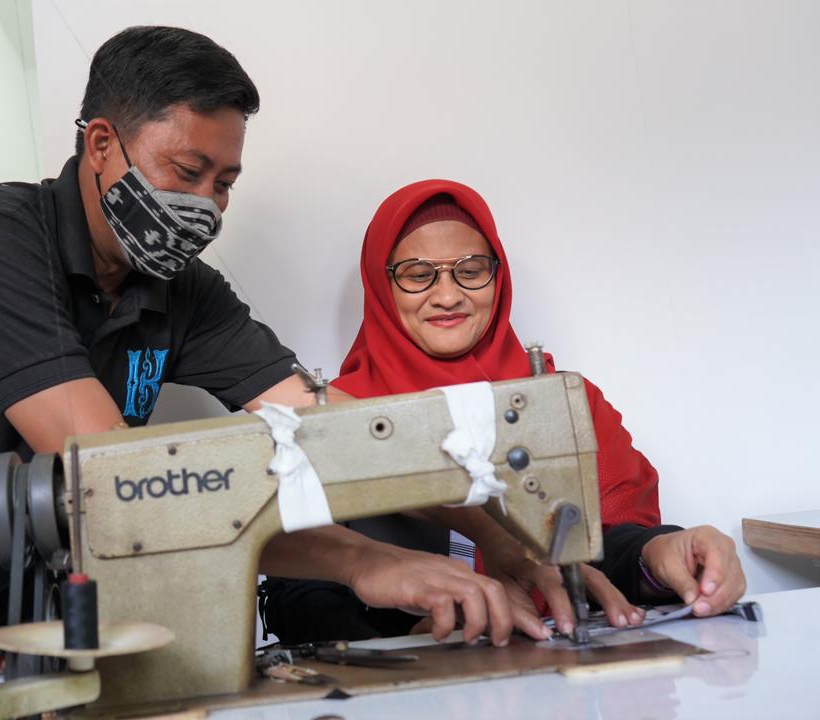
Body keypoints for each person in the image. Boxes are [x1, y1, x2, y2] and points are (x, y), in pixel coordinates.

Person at [0, 26, 529, 717]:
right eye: (187, 170)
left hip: (8, 630)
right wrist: (365, 562)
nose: (207, 205)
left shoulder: (183, 290)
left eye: (224, 182)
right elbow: (125, 486)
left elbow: (333, 426)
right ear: (101, 145)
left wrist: (495, 529)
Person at [260, 180, 746, 643]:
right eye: (417, 274)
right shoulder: (334, 416)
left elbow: (606, 548)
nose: (448, 295)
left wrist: (657, 552)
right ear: (380, 284)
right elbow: (297, 595)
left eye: (471, 270)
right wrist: (403, 644)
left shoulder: (564, 402)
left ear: (498, 275)